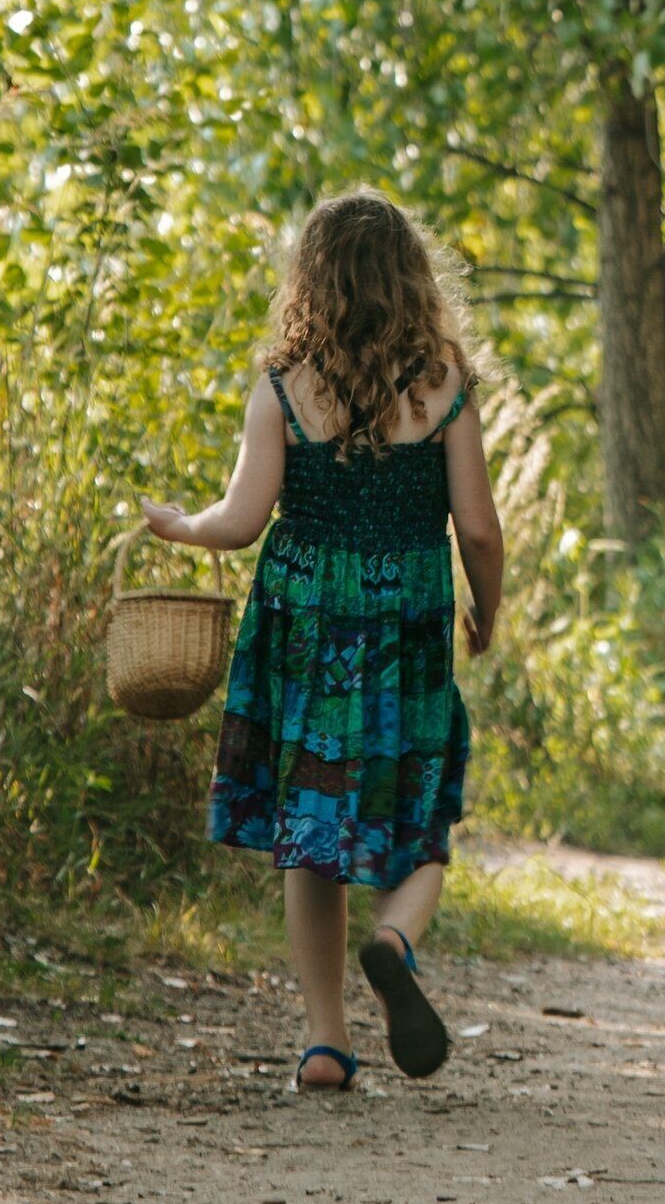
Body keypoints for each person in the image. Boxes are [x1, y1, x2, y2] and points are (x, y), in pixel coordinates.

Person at [143, 193, 510, 1094]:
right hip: (406, 629)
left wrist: (182, 525)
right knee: (417, 810)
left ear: (311, 281)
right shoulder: (444, 387)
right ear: (413, 280)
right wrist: (487, 609)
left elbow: (240, 521)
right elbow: (479, 527)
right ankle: (395, 942)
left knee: (312, 828)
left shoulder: (283, 388)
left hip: (307, 634)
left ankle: (324, 1042)